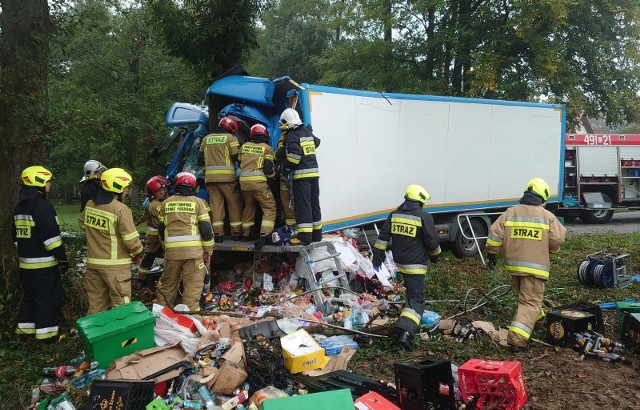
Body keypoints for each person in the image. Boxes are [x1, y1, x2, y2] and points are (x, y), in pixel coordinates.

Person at [486, 177, 567, 352]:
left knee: (527, 299)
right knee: (530, 302)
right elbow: (558, 239)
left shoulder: (511, 212)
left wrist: (491, 253)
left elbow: (494, 233)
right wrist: (553, 251)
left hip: (514, 266)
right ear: (543, 197)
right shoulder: (547, 216)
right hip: (535, 268)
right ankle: (517, 339)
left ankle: (538, 319)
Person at [371, 184, 441, 351]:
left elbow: (382, 238)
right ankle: (406, 333)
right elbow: (432, 241)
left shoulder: (394, 215)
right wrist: (436, 256)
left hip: (400, 262)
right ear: (420, 201)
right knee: (417, 300)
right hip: (415, 265)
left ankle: (403, 325)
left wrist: (377, 258)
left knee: (411, 294)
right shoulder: (423, 216)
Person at [13, 166, 68, 343]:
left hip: (25, 266)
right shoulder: (43, 207)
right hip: (44, 267)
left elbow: (16, 238)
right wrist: (62, 258)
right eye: (46, 182)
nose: (49, 185)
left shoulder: (20, 206)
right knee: (47, 300)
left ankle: (25, 333)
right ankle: (47, 337)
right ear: (38, 183)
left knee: (30, 299)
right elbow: (51, 240)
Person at [79, 168, 144, 315]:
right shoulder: (121, 209)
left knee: (96, 306)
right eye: (125, 186)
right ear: (117, 187)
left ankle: (96, 336)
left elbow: (82, 223)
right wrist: (139, 252)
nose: (127, 190)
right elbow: (131, 241)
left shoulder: (90, 204)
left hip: (93, 265)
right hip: (116, 268)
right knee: (122, 307)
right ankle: (123, 338)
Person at [155, 171, 214, 311]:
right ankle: (189, 317)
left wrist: (167, 246)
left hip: (172, 254)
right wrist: (208, 251)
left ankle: (161, 316)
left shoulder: (165, 203)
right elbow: (206, 230)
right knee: (192, 287)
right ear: (194, 186)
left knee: (167, 285)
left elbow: (162, 230)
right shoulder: (199, 203)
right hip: (193, 254)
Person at [278, 108, 322, 244]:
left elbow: (294, 157)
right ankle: (316, 234)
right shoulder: (306, 132)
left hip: (302, 176)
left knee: (303, 206)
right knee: (314, 203)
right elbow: (317, 142)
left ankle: (305, 237)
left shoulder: (291, 135)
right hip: (314, 173)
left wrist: (285, 169)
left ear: (287, 123)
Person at [198, 116, 243, 242]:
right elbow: (236, 158)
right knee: (234, 205)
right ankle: (236, 233)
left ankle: (217, 234)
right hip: (228, 179)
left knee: (216, 206)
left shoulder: (206, 139)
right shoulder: (231, 138)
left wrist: (206, 171)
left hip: (211, 180)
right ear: (230, 127)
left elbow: (200, 160)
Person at [238, 124, 277, 239]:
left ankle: (246, 233)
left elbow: (240, 162)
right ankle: (265, 234)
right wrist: (274, 176)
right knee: (269, 207)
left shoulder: (244, 146)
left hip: (244, 184)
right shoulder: (267, 148)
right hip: (258, 184)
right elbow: (268, 169)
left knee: (248, 207)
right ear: (265, 135)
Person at [137, 175, 169, 285]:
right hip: (155, 235)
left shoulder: (162, 201)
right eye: (159, 191)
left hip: (160, 233)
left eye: (163, 189)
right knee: (150, 255)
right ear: (153, 193)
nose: (162, 192)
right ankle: (141, 277)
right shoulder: (155, 205)